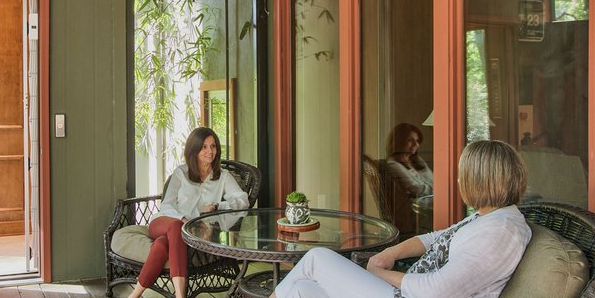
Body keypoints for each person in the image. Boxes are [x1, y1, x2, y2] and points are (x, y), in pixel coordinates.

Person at [271, 140, 531, 298]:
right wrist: (392, 252)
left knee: (317, 259)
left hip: (407, 295)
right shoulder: (488, 217)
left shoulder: (500, 233)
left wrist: (381, 273)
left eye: (464, 175)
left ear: (479, 181)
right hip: (404, 291)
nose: (459, 181)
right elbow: (435, 237)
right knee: (301, 290)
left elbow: (434, 292)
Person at [129, 127, 250, 298]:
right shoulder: (181, 173)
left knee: (162, 245)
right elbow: (167, 205)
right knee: (177, 226)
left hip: (191, 233)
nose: (210, 151)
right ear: (194, 149)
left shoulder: (222, 176)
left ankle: (134, 295)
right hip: (164, 221)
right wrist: (184, 220)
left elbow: (242, 201)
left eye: (213, 146)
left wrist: (217, 206)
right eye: (204, 147)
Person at [384, 123, 434, 236]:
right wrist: (434, 189)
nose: (416, 144)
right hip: (412, 216)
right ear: (398, 141)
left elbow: (432, 181)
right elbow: (416, 190)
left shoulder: (416, 161)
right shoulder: (393, 165)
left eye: (417, 141)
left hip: (424, 208)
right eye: (410, 140)